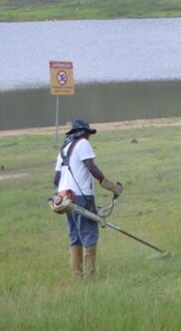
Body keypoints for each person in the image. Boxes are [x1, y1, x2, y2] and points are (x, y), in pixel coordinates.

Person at [53, 119, 123, 278]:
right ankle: (90, 276)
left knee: (75, 235)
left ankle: (76, 275)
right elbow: (91, 167)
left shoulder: (63, 149)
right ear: (83, 132)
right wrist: (112, 187)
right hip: (81, 196)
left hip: (64, 198)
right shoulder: (82, 143)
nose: (89, 136)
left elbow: (56, 179)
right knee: (89, 233)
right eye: (87, 133)